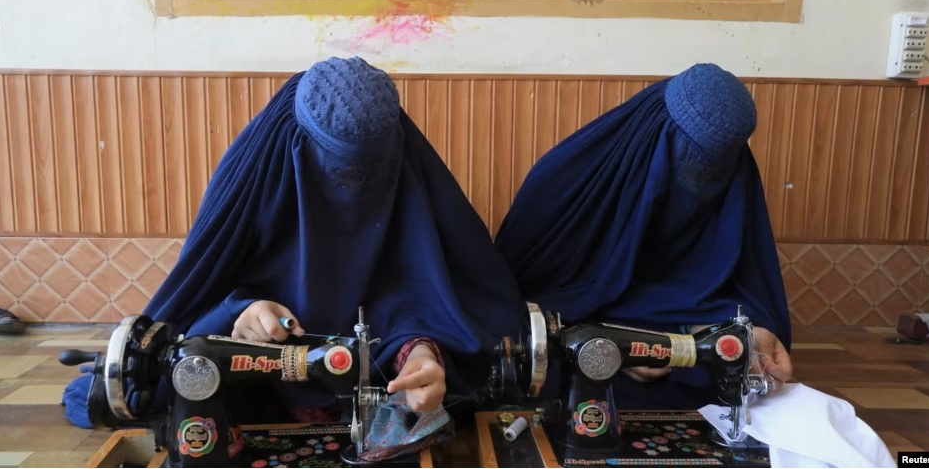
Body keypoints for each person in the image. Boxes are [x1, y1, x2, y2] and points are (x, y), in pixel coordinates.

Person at [62, 57, 522, 430]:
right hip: (260, 386)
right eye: (335, 170)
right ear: (295, 142)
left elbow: (423, 294)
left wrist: (422, 353)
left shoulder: (410, 186)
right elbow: (198, 306)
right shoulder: (254, 185)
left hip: (375, 378)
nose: (350, 191)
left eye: (366, 175)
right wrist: (239, 315)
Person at [493, 63, 793, 410]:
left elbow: (745, 289)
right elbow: (517, 302)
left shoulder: (732, 186)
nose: (699, 179)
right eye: (688, 158)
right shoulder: (567, 180)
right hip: (582, 338)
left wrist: (743, 334)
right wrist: (616, 341)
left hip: (681, 341)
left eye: (715, 165)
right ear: (654, 131)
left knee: (735, 371)